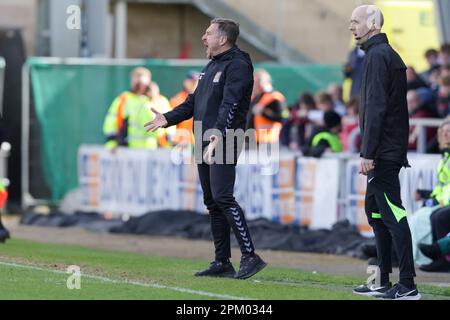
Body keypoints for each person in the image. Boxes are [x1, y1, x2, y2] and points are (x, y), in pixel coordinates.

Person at [144, 18, 267, 279]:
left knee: (223, 197)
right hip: (203, 137)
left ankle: (250, 256)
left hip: (224, 137)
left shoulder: (239, 65)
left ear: (223, 39)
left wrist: (218, 135)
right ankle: (222, 261)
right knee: (212, 202)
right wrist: (167, 118)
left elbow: (231, 105)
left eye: (208, 33)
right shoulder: (212, 65)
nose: (203, 37)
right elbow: (193, 102)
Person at [349, 5, 420, 300]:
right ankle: (381, 280)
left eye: (355, 21)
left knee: (393, 215)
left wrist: (368, 152)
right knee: (376, 214)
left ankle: (408, 286)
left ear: (373, 24)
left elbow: (377, 107)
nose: (351, 26)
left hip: (382, 153)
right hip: (382, 151)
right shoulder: (378, 54)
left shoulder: (379, 56)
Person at [102, 67, 161, 150]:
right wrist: (112, 143)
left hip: (151, 151)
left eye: (141, 81)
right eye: (136, 80)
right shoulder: (123, 99)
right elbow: (111, 123)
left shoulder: (158, 100)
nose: (139, 85)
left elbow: (168, 126)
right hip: (128, 150)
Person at [246, 69, 285, 145]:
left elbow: (282, 118)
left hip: (268, 142)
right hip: (254, 141)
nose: (254, 86)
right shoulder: (256, 97)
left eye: (256, 83)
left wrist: (263, 112)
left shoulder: (275, 97)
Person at [169, 71, 200, 146]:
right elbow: (171, 123)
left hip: (198, 141)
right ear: (185, 82)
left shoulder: (202, 98)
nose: (193, 84)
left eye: (195, 82)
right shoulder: (176, 100)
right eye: (191, 82)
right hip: (181, 142)